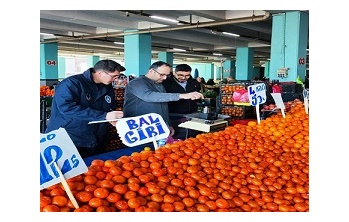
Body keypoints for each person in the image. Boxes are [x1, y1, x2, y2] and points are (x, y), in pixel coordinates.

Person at [45, 59, 125, 158]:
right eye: (113, 76)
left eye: (117, 77)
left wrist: (111, 118)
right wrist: (104, 116)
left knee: (94, 169)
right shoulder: (72, 83)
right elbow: (67, 108)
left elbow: (109, 107)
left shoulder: (107, 87)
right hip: (71, 136)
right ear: (100, 73)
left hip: (96, 137)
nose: (115, 80)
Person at [123, 61, 204, 142]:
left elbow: (163, 105)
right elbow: (149, 96)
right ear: (151, 71)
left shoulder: (159, 85)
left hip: (156, 126)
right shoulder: (137, 83)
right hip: (138, 128)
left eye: (167, 75)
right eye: (162, 75)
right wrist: (182, 95)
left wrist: (167, 124)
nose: (165, 78)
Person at [162, 64, 202, 140]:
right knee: (176, 137)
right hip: (173, 116)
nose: (184, 78)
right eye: (180, 75)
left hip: (191, 115)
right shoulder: (165, 83)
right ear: (174, 73)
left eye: (187, 75)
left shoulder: (194, 83)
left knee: (192, 137)